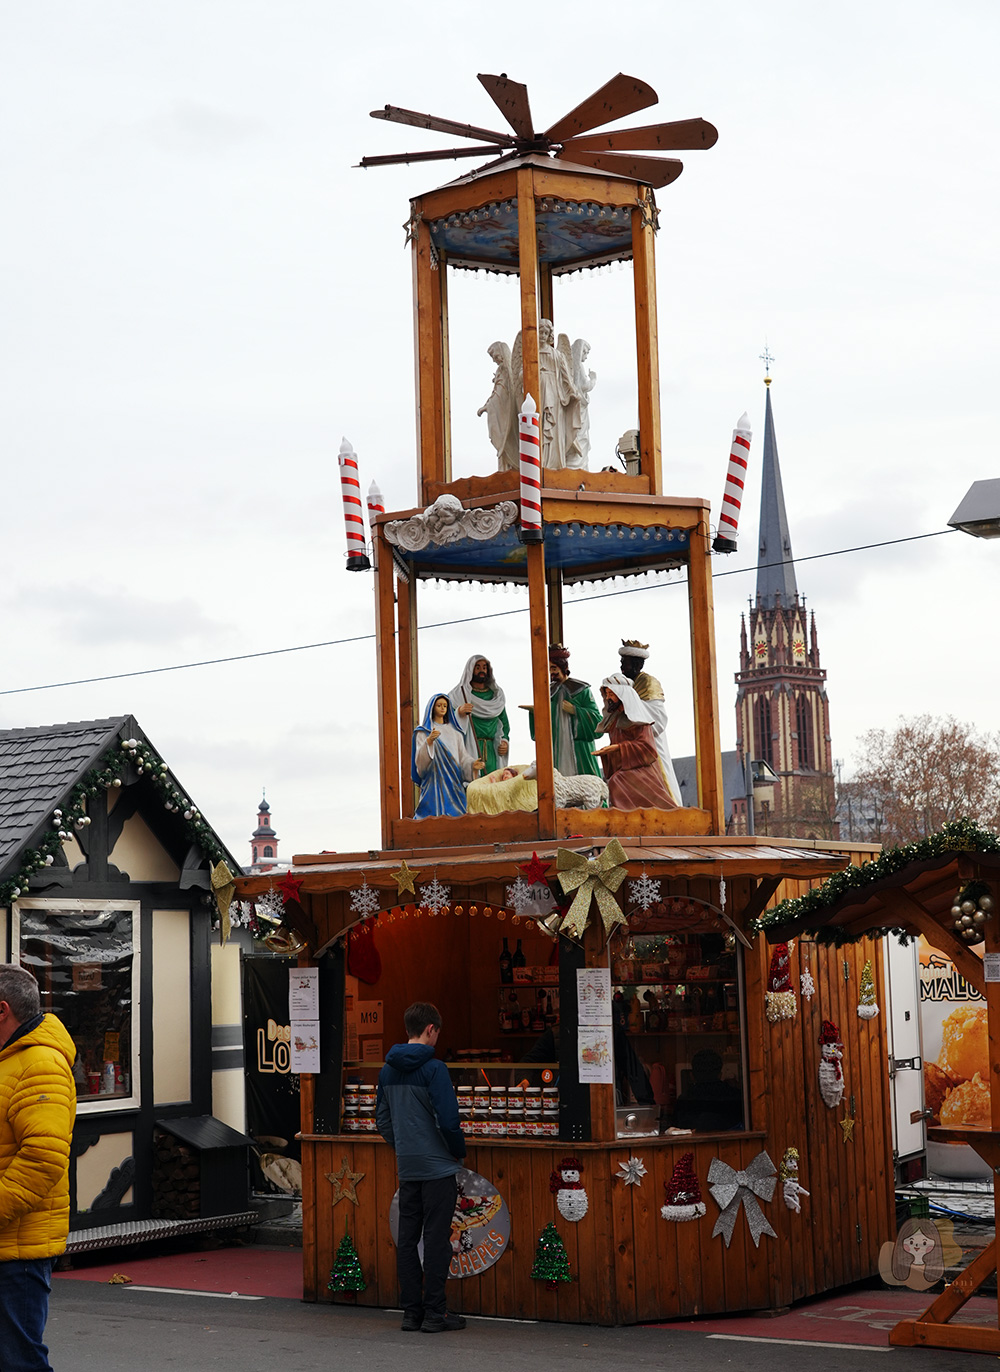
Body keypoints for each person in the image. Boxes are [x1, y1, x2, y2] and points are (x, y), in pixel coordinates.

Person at [0, 964, 77, 1371]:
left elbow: (42, 1159)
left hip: (16, 1250)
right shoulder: (10, 1059)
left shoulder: (40, 1063)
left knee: (18, 1360)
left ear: (2, 1009)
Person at [376, 1002, 466, 1334]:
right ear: (430, 1029)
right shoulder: (435, 1069)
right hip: (439, 1168)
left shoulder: (387, 1070)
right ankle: (435, 1314)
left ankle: (411, 1314)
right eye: (437, 1033)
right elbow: (450, 1121)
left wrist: (404, 1147)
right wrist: (457, 1151)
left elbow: (382, 1120)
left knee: (407, 1240)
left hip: (408, 1168)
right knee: (437, 1241)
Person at [595, 673, 677, 810]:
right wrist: (609, 752)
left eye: (611, 694)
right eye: (607, 694)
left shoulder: (639, 719)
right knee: (613, 780)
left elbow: (648, 748)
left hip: (642, 770)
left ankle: (626, 819)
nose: (608, 698)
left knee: (617, 781)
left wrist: (618, 748)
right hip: (625, 768)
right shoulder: (614, 720)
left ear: (622, 695)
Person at [616, 639, 682, 805]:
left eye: (626, 662)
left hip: (651, 745)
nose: (621, 666)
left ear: (637, 665)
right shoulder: (626, 685)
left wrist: (629, 707)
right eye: (621, 662)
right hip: (633, 747)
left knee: (660, 784)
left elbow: (658, 718)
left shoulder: (647, 683)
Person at [524, 644, 602, 778]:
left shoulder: (581, 690)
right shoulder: (548, 693)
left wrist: (576, 711)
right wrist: (535, 712)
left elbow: (597, 721)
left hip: (578, 749)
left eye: (554, 668)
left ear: (563, 667)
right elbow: (542, 729)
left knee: (587, 786)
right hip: (557, 747)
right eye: (549, 669)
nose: (552, 673)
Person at [412, 694, 483, 819]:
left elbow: (463, 758)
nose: (442, 708)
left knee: (457, 816)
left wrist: (472, 765)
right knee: (431, 818)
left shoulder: (455, 733)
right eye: (439, 705)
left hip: (453, 783)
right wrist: (429, 742)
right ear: (432, 708)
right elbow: (420, 763)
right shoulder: (424, 732)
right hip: (433, 781)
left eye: (445, 706)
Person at [448, 656, 509, 773]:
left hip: (492, 749)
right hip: (469, 747)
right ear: (470, 670)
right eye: (477, 667)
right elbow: (446, 721)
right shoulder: (459, 695)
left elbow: (504, 724)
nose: (482, 671)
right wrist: (459, 712)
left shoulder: (497, 697)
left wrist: (504, 742)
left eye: (484, 667)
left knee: (493, 783)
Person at [476, 341, 518, 471]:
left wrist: (488, 406)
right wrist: (488, 405)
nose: (494, 360)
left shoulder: (506, 370)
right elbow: (497, 392)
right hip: (501, 410)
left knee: (506, 439)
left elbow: (501, 393)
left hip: (507, 413)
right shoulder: (501, 370)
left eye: (495, 356)